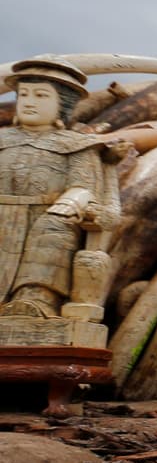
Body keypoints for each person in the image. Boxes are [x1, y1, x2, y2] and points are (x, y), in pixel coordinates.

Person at [0, 57, 119, 320]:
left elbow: (84, 185)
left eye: (41, 96)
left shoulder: (77, 145)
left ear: (62, 105)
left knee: (54, 230)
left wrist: (73, 202)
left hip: (48, 217)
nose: (30, 102)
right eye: (24, 95)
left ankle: (36, 299)